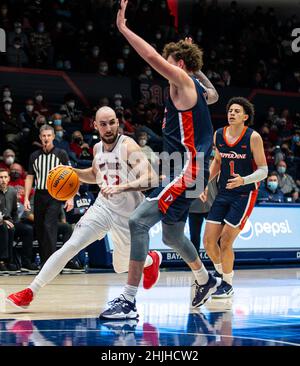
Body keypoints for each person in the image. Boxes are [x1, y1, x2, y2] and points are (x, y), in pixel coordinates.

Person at [100, 0, 221, 320]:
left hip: (187, 169)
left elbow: (152, 56)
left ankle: (127, 300)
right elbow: (215, 96)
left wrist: (124, 28)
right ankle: (206, 280)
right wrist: (194, 66)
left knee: (138, 221)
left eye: (171, 62)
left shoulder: (182, 82)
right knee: (170, 235)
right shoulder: (195, 84)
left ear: (178, 63)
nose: (162, 66)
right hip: (186, 168)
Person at [6, 107, 162, 309]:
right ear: (95, 126)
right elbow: (95, 174)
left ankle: (151, 259)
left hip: (127, 214)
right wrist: (73, 172)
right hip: (103, 208)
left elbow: (151, 178)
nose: (109, 128)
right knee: (71, 245)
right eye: (103, 124)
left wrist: (121, 187)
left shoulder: (127, 146)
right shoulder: (97, 149)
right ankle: (30, 292)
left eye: (112, 122)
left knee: (121, 266)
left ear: (118, 123)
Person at [203, 97, 268, 298]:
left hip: (245, 193)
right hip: (224, 192)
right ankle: (222, 273)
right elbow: (217, 162)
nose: (232, 113)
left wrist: (244, 180)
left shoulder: (253, 137)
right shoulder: (219, 135)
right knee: (208, 242)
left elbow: (264, 170)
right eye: (230, 110)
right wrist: (205, 183)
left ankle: (228, 284)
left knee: (226, 241)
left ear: (245, 117)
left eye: (237, 111)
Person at [23, 125, 74, 266]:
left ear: (53, 137)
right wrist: (27, 197)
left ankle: (51, 264)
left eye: (48, 135)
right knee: (39, 229)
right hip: (39, 195)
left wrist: (70, 198)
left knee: (48, 226)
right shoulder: (34, 156)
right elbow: (29, 177)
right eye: (43, 136)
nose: (46, 138)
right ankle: (47, 263)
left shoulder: (61, 154)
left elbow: (70, 175)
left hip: (55, 195)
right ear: (40, 137)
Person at [0, 169, 19, 274]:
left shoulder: (12, 191)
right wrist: (4, 221)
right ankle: (3, 261)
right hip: (0, 221)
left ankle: (26, 261)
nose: (3, 180)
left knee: (28, 230)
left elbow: (15, 211)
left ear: (9, 179)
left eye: (5, 177)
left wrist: (15, 223)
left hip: (10, 220)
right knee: (4, 228)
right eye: (1, 177)